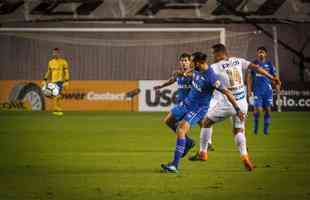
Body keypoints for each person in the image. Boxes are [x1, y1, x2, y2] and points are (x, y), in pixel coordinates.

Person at [189, 44, 281, 171]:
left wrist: (188, 73)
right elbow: (256, 67)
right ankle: (245, 157)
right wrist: (272, 77)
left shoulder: (215, 67)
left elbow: (203, 72)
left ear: (219, 53)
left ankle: (203, 153)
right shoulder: (238, 61)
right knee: (238, 131)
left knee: (206, 122)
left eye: (213, 53)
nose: (212, 56)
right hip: (242, 103)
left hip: (228, 103)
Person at [161, 52, 245, 173]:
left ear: (199, 63)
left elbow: (227, 93)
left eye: (192, 62)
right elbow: (189, 72)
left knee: (181, 129)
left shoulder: (211, 78)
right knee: (168, 121)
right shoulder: (196, 68)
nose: (190, 64)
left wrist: (238, 109)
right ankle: (188, 142)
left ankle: (174, 165)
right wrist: (183, 73)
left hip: (198, 108)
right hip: (186, 103)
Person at [247, 47, 279, 135]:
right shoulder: (254, 64)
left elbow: (275, 78)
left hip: (267, 91)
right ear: (257, 54)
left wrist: (277, 87)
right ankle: (255, 127)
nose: (261, 54)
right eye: (259, 52)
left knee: (268, 110)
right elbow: (249, 78)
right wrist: (249, 90)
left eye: (263, 52)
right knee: (258, 110)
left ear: (266, 54)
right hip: (257, 91)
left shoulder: (270, 64)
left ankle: (266, 130)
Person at [43, 48, 70, 116]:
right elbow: (49, 71)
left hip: (60, 81)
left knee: (58, 95)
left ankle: (57, 108)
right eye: (54, 53)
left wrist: (66, 81)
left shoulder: (63, 62)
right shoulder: (50, 62)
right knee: (56, 95)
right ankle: (56, 109)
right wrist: (45, 79)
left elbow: (66, 72)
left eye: (57, 53)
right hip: (53, 81)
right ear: (52, 53)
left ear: (59, 53)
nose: (55, 54)